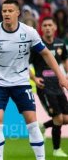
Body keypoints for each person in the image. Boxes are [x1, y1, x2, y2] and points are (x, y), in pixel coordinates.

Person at [0, 0, 68, 160]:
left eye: (10, 11)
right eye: (4, 11)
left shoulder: (29, 32)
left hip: (21, 84)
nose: (7, 14)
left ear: (18, 13)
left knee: (32, 121)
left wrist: (61, 77)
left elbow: (46, 54)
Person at [29, 17, 68, 157]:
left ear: (55, 27)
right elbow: (24, 64)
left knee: (66, 119)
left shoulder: (60, 43)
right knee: (58, 119)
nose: (47, 27)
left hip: (58, 85)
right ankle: (57, 150)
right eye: (44, 25)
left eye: (50, 25)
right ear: (41, 28)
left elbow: (64, 61)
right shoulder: (37, 45)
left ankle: (43, 126)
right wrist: (34, 78)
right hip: (44, 86)